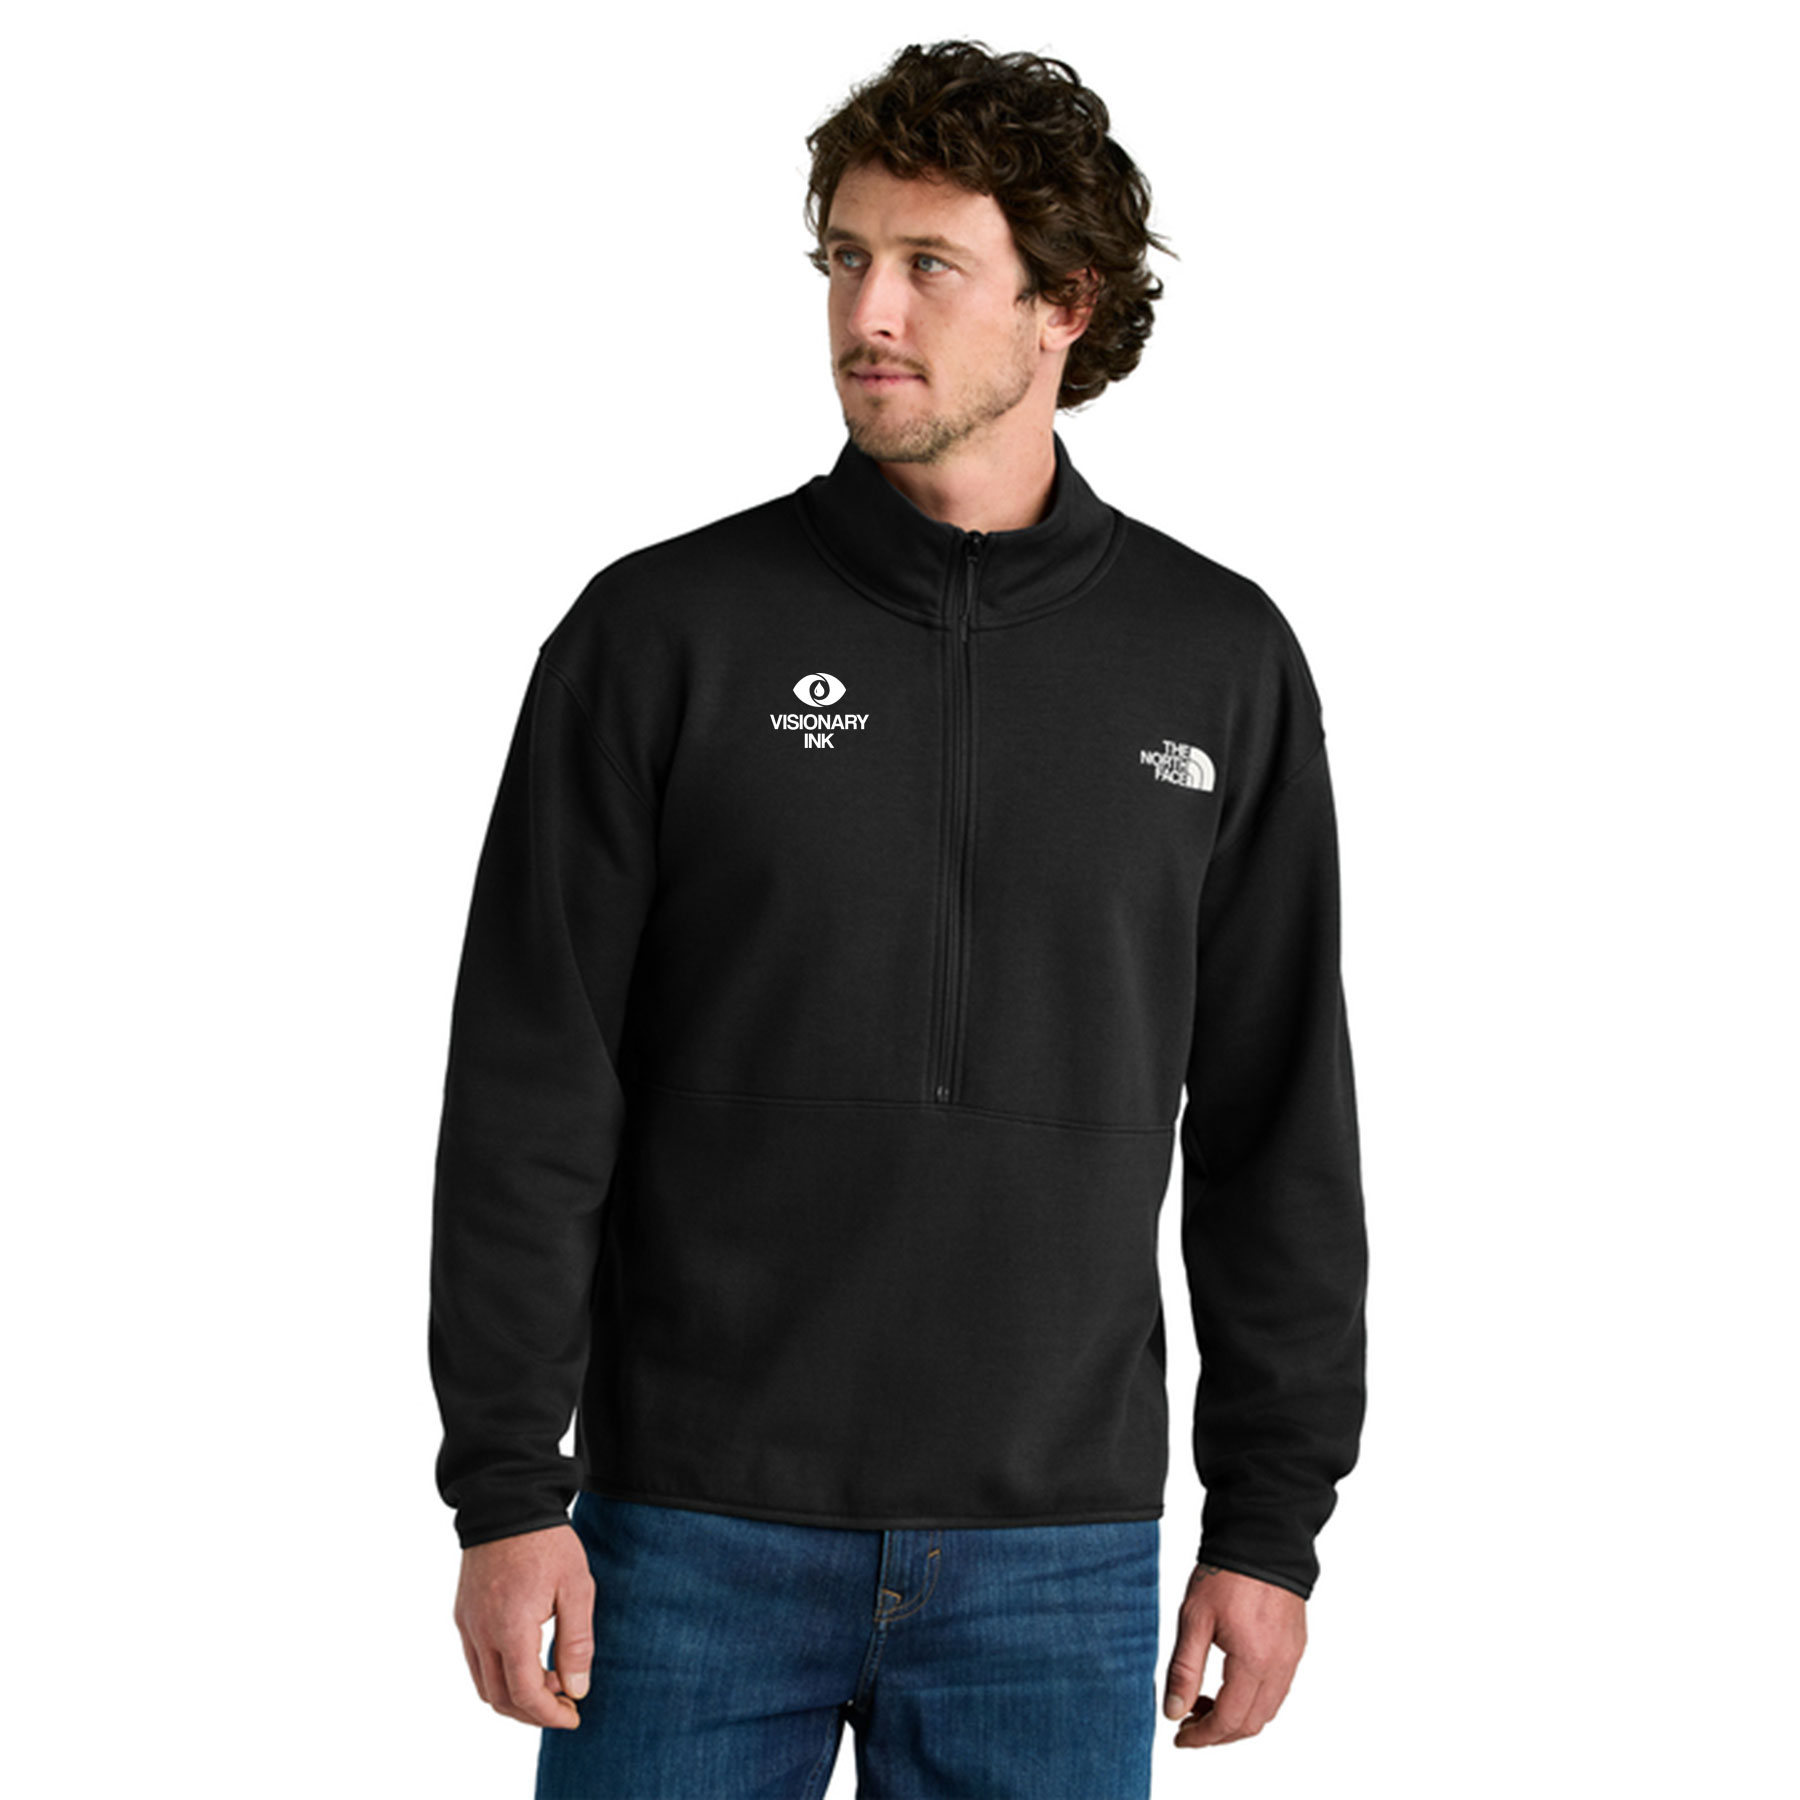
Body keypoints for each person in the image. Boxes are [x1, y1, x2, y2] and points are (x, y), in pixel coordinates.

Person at [428, 39, 1368, 1800]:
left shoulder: (1219, 661)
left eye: (931, 264)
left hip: (1057, 1561)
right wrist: (503, 1489)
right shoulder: (660, 635)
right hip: (682, 1537)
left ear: (1064, 306)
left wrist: (1271, 1523)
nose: (869, 310)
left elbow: (1277, 1123)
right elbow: (531, 1089)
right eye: (847, 258)